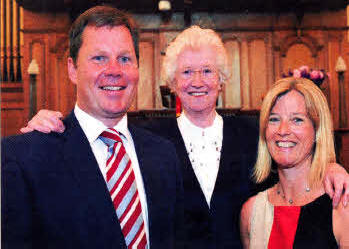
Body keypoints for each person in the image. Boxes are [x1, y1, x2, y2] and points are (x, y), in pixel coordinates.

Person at [20, 26, 349, 248]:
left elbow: (298, 157)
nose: (197, 81)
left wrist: (332, 168)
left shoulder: (254, 133)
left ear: (221, 80)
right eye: (186, 72)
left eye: (207, 71)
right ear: (172, 83)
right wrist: (51, 127)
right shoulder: (145, 140)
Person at [2, 6, 184, 249]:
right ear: (72, 69)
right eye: (99, 58)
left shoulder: (164, 154)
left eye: (125, 59)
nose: (114, 70)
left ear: (137, 68)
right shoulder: (24, 157)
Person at [240, 77, 349, 249]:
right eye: (274, 119)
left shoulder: (341, 206)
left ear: (317, 131)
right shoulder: (252, 212)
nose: (283, 131)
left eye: (297, 120)